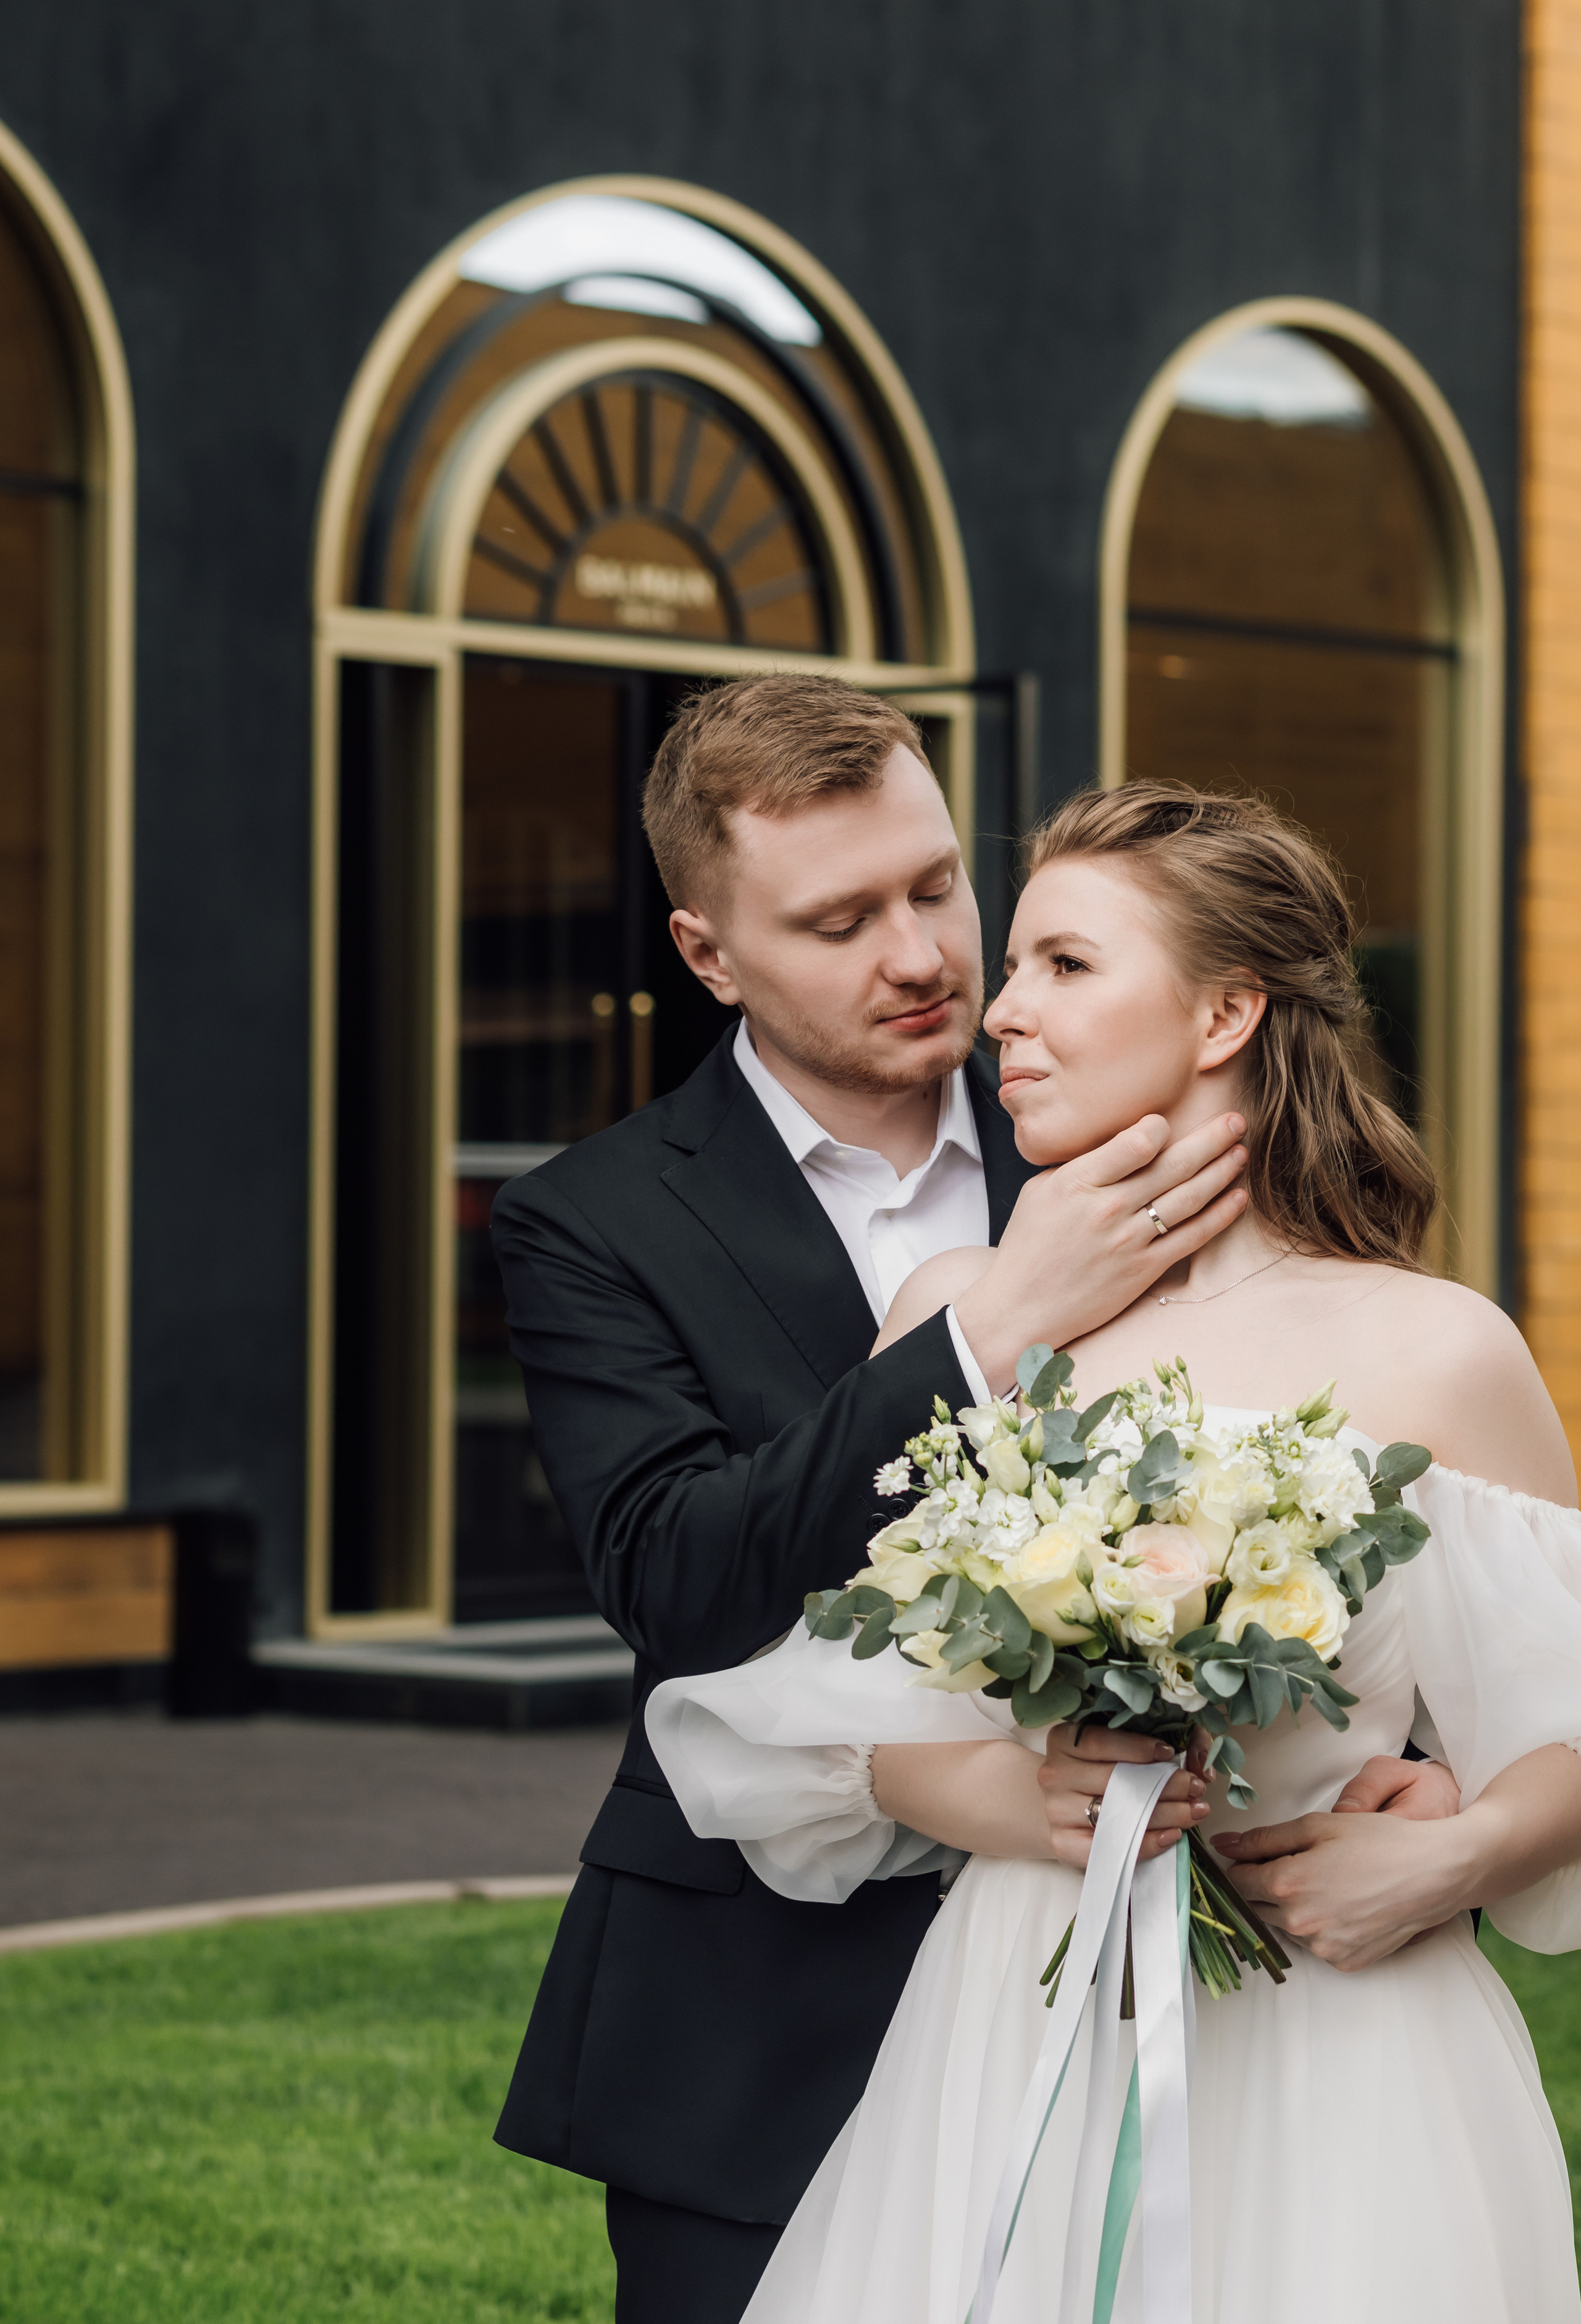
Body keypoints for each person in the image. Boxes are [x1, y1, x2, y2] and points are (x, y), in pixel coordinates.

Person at [648, 781, 1581, 2322]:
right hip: (1017, 2008)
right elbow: (825, 1726)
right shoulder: (972, 1311)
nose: (997, 1011)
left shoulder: (1439, 1350)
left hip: (1342, 2032)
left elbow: (1563, 1725)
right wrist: (1016, 1795)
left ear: (1223, 1014)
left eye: (1063, 966)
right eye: (1010, 967)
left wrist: (1451, 1854)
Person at [489, 681, 1280, 2324]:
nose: (921, 957)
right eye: (839, 919)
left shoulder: (1118, 1113)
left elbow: (1303, 1445)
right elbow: (678, 1574)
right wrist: (991, 1325)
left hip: (1155, 1984)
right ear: (709, 954)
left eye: (934, 888)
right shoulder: (592, 1221)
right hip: (752, 2019)